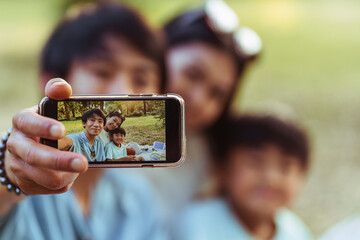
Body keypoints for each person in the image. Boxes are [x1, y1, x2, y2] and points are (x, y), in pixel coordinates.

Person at [0, 2, 166, 239]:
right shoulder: (22, 181)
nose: (122, 91)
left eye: (140, 79)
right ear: (53, 80)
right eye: (102, 72)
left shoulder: (139, 199)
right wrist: (6, 173)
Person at [142, 0, 262, 222]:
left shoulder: (210, 161)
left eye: (217, 94)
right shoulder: (95, 129)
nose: (199, 100)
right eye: (193, 74)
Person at [171, 114, 313, 240]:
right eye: (256, 161)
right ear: (223, 169)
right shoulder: (197, 222)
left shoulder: (296, 232)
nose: (271, 179)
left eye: (285, 167)